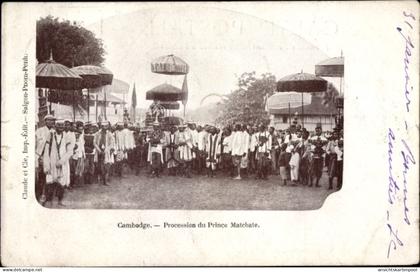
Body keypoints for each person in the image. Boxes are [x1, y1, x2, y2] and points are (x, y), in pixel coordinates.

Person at [42, 120, 73, 207]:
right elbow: (46, 151)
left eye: (62, 126)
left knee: (62, 183)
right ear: (55, 126)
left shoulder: (67, 137)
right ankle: (48, 199)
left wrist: (61, 161)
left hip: (62, 163)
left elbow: (70, 151)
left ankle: (60, 200)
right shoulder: (51, 135)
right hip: (52, 162)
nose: (60, 127)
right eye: (58, 125)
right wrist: (46, 165)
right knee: (50, 181)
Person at [35, 114, 56, 203]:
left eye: (52, 120)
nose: (51, 122)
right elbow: (35, 144)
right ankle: (41, 194)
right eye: (49, 120)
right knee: (41, 176)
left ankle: (48, 195)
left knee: (51, 176)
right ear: (45, 121)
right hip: (41, 156)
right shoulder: (39, 131)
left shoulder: (55, 132)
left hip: (51, 157)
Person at [94, 121, 115, 186]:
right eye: (103, 126)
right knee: (99, 166)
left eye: (106, 126)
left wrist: (106, 150)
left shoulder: (110, 134)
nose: (104, 128)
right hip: (99, 152)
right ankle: (99, 179)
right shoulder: (97, 133)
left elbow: (112, 143)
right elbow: (94, 142)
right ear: (101, 126)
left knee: (107, 166)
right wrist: (99, 150)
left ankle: (105, 181)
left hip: (107, 152)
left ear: (108, 127)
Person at [309, 123, 327, 187]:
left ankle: (317, 183)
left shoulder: (324, 139)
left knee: (319, 170)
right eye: (316, 129)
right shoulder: (312, 138)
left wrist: (323, 156)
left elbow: (325, 148)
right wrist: (311, 155)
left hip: (320, 156)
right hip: (314, 156)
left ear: (321, 130)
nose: (317, 131)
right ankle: (311, 183)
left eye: (319, 129)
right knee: (312, 169)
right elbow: (310, 147)